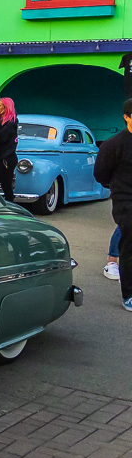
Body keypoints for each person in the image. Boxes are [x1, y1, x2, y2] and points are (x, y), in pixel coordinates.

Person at [94, 98, 132, 312]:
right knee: (129, 248)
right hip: (127, 202)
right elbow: (100, 174)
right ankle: (129, 295)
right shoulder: (114, 145)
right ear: (126, 117)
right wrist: (117, 187)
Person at [0, 97, 19, 202]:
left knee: (6, 185)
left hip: (7, 157)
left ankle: (10, 205)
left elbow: (2, 138)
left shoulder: (11, 122)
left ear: (6, 108)